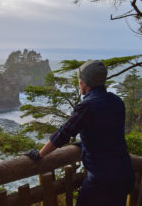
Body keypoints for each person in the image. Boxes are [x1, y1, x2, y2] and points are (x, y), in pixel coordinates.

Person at [26, 60, 135, 206]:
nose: (79, 82)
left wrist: (39, 154)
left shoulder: (87, 106)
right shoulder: (117, 102)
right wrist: (85, 142)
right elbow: (107, 132)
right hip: (124, 174)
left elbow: (63, 134)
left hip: (102, 181)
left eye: (80, 79)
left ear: (85, 82)